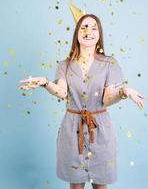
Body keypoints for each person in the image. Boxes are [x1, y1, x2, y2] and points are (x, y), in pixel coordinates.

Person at [19, 14, 146, 189]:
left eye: (94, 28)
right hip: (72, 129)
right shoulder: (64, 65)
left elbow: (107, 98)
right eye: (84, 27)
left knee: (101, 185)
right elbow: (62, 92)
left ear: (99, 34)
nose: (89, 32)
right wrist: (46, 83)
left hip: (100, 130)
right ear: (77, 33)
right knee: (76, 186)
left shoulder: (110, 64)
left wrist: (123, 91)